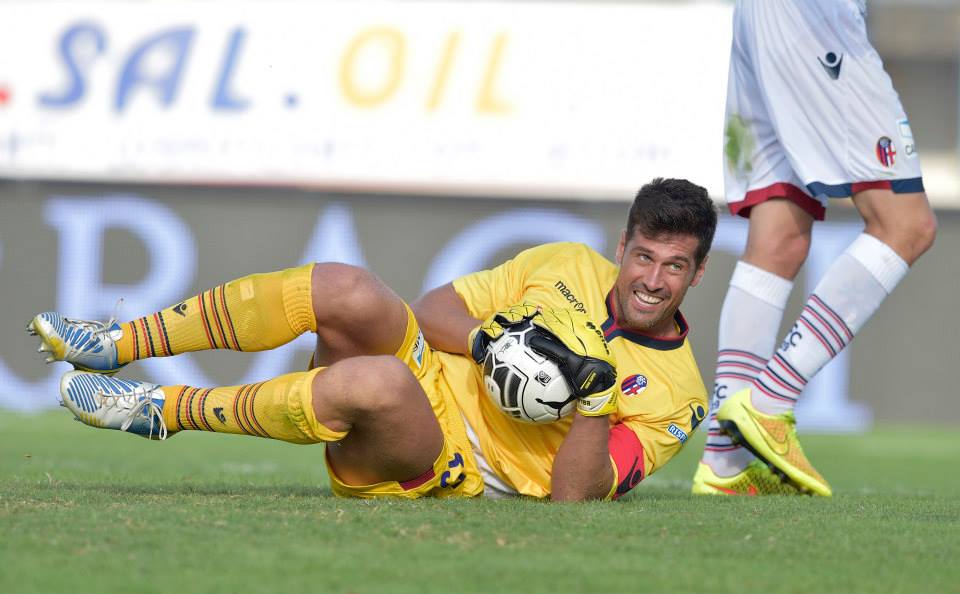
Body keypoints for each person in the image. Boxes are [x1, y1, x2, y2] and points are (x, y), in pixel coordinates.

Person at [30, 178, 717, 502]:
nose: (652, 279)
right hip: (437, 381)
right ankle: (117, 343)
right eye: (644, 256)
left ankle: (158, 412)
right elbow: (433, 311)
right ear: (622, 245)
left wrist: (591, 399)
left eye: (674, 265)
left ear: (698, 272)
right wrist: (490, 346)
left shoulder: (679, 394)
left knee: (381, 384)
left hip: (453, 470)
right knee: (347, 287)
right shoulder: (565, 261)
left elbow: (577, 499)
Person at [692, 0, 937, 497]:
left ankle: (724, 458)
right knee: (906, 224)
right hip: (816, 17)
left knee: (780, 235)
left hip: (759, 19)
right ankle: (769, 400)